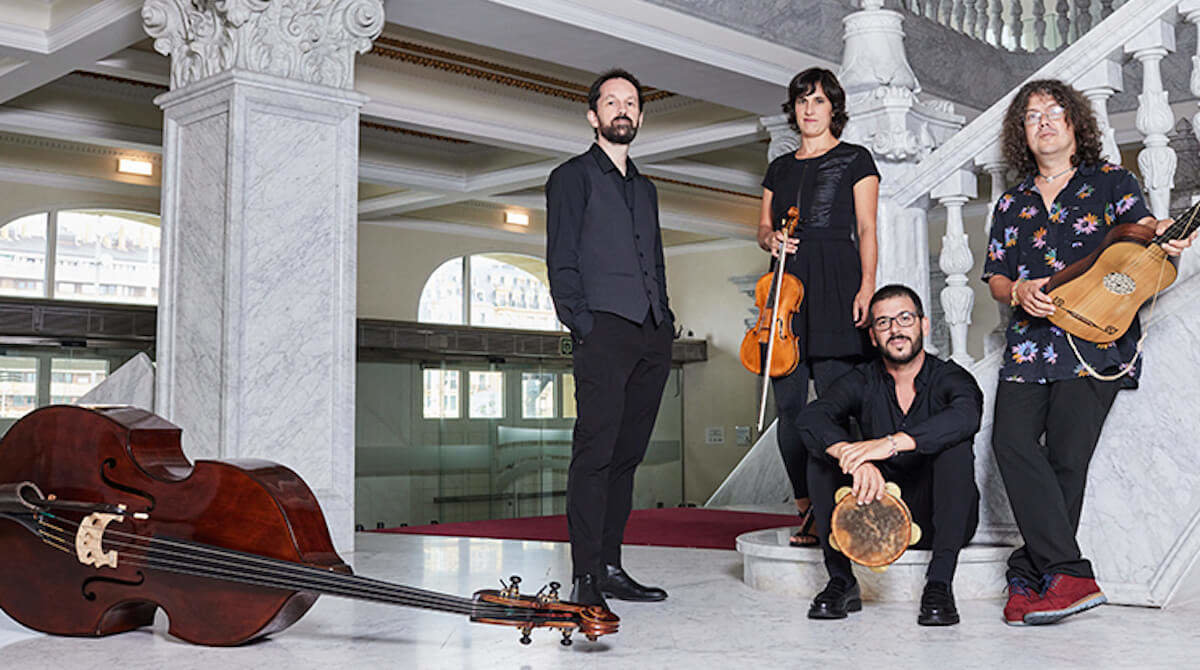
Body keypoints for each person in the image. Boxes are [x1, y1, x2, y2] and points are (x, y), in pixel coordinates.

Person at [983, 79, 1197, 626]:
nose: (1045, 122)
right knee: (1011, 445)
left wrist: (1166, 234)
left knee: (1066, 464)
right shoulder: (1011, 202)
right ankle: (1067, 574)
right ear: (1022, 135)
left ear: (1076, 124)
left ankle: (1034, 578)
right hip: (1029, 346)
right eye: (1032, 117)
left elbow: (1145, 233)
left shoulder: (1112, 182)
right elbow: (997, 278)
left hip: (1097, 342)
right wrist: (1018, 292)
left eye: (1055, 112)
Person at [545, 69, 673, 609]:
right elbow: (562, 259)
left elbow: (656, 261)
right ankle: (585, 577)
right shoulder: (571, 177)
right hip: (603, 329)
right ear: (593, 116)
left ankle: (612, 565)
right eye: (612, 102)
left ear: (640, 117)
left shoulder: (646, 189)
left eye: (631, 103)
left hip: (651, 333)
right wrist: (583, 324)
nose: (623, 110)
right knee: (594, 455)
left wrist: (664, 319)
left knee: (625, 459)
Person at [797, 285, 982, 626]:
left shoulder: (951, 377)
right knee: (822, 455)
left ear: (924, 325)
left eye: (904, 318)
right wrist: (854, 458)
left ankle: (939, 584)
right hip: (873, 514)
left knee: (954, 446)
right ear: (873, 336)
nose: (895, 329)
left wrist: (891, 443)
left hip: (936, 518)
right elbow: (811, 418)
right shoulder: (861, 380)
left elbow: (966, 416)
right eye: (883, 323)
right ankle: (841, 580)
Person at [756, 67, 879, 546]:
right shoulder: (779, 169)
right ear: (794, 110)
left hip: (838, 279)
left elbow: (867, 229)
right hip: (788, 289)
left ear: (833, 109)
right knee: (789, 409)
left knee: (836, 404)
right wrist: (772, 240)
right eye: (803, 101)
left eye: (820, 101)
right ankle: (805, 507)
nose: (810, 109)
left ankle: (842, 500)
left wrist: (867, 285)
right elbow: (763, 227)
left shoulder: (855, 159)